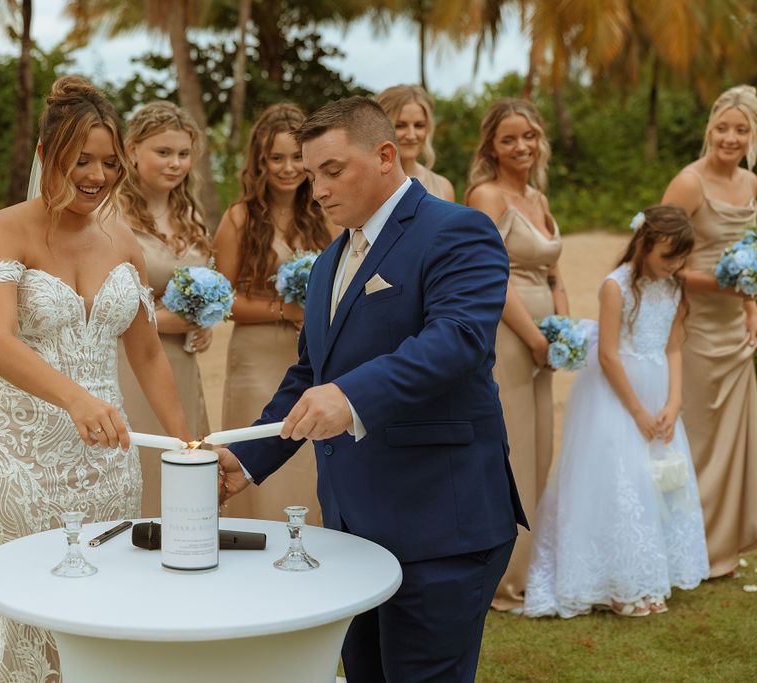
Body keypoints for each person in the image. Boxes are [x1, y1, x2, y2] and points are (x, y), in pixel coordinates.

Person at [217, 96, 526, 682]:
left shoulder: (459, 230)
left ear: (386, 156)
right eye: (311, 175)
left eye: (332, 171)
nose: (319, 190)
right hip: (352, 527)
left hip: (441, 522)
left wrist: (354, 396)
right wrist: (248, 456)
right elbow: (312, 375)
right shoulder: (332, 259)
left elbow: (458, 339)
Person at [0, 76, 190, 682]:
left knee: (102, 604)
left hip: (107, 462)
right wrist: (76, 399)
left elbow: (146, 356)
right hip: (15, 454)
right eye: (80, 160)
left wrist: (185, 443)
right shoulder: (1, 231)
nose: (97, 175)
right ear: (44, 157)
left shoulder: (124, 243)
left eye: (110, 163)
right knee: (31, 615)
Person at [525, 206, 709, 618]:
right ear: (644, 245)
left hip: (659, 390)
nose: (675, 266)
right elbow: (607, 355)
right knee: (620, 483)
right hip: (616, 395)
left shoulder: (675, 286)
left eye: (682, 258)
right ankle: (618, 584)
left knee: (658, 483)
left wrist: (673, 402)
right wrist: (638, 412)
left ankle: (647, 574)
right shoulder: (617, 286)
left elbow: (674, 347)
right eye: (668, 257)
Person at [465, 98, 569, 612]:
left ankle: (532, 565)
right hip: (509, 338)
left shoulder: (538, 196)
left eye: (528, 135)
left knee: (541, 447)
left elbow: (554, 273)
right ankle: (502, 578)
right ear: (492, 146)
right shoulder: (486, 196)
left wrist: (562, 326)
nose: (521, 146)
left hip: (545, 339)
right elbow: (491, 276)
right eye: (509, 139)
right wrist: (532, 337)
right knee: (511, 450)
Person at [213, 103, 336, 523]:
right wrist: (285, 309)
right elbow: (224, 300)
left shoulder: (325, 214)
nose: (287, 169)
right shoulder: (240, 217)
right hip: (256, 354)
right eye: (275, 158)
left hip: (310, 352)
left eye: (295, 158)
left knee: (306, 451)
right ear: (259, 162)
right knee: (258, 444)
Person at [661, 85, 757, 579]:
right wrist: (723, 284)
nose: (731, 137)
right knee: (693, 439)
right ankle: (681, 550)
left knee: (730, 442)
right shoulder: (689, 183)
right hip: (693, 326)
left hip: (734, 333)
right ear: (709, 130)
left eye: (741, 130)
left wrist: (750, 304)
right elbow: (658, 260)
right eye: (723, 127)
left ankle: (719, 550)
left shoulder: (753, 184)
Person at [108, 101, 213, 518]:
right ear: (132, 150)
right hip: (129, 362)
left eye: (183, 154)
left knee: (183, 462)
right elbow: (104, 308)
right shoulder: (110, 214)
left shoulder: (192, 214)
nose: (175, 164)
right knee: (141, 465)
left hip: (183, 364)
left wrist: (204, 324)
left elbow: (201, 286)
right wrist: (175, 321)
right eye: (163, 153)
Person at [374, 84, 455, 201]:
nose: (411, 136)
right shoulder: (365, 184)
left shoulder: (443, 187)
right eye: (400, 126)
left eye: (418, 125)